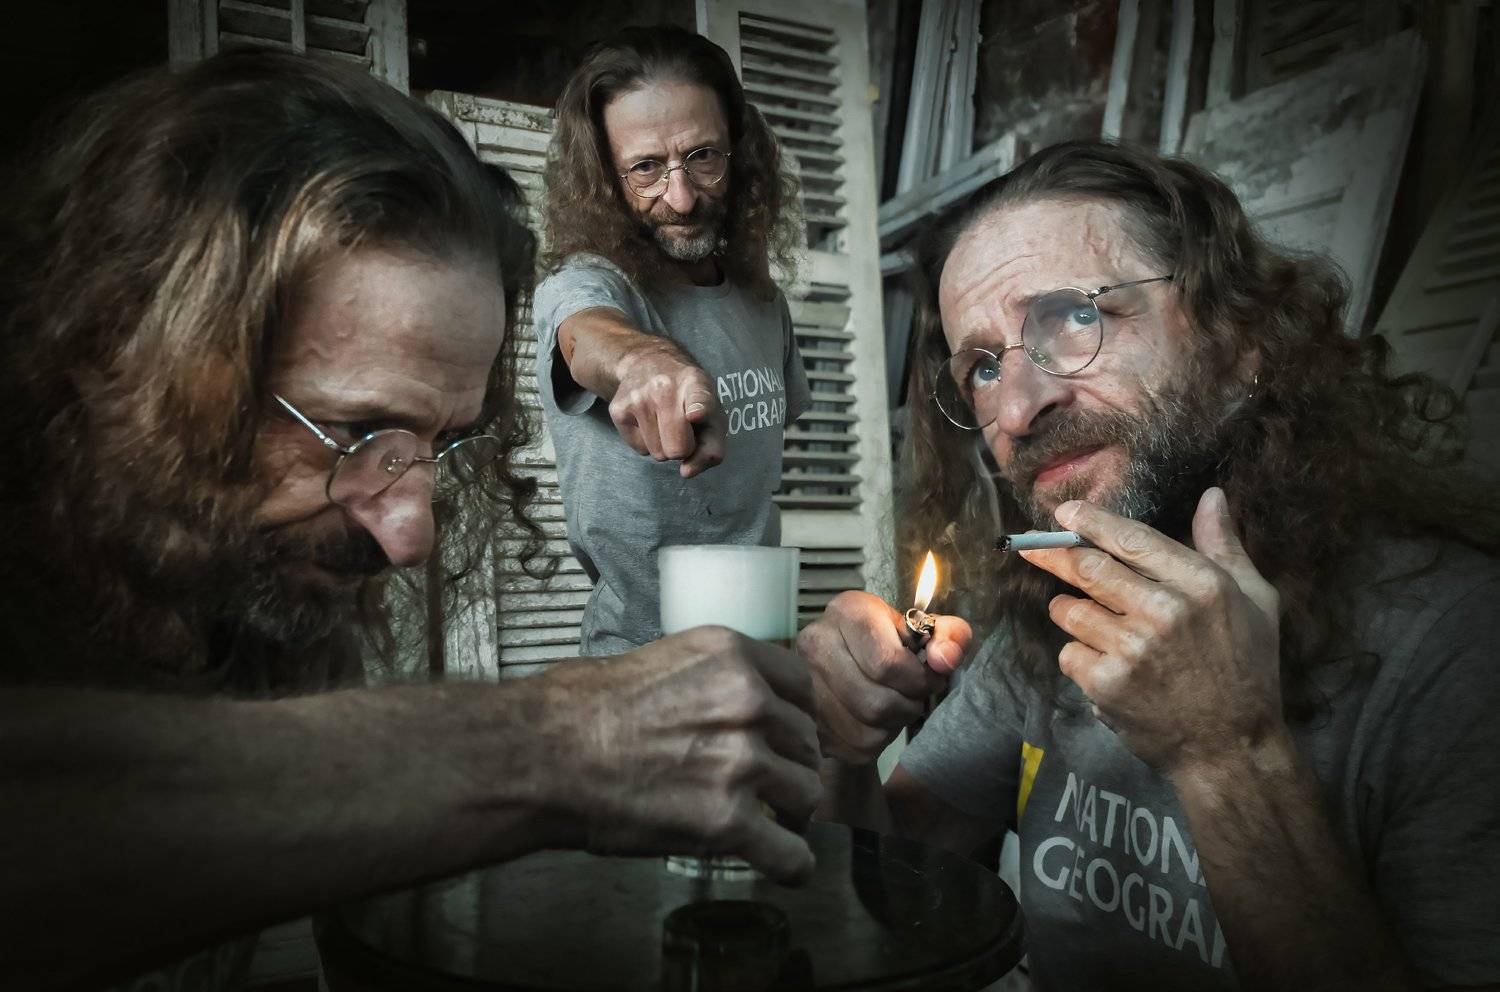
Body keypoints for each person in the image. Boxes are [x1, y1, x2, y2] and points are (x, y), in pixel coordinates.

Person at [0, 50, 821, 990]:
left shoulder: (257, 603)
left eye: (443, 443)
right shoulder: (592, 285)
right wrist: (562, 742)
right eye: (355, 431)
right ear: (127, 349)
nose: (409, 538)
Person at [800, 141, 1500, 991]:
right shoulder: (1050, 615)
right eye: (982, 366)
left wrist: (1225, 751)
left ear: (1239, 343)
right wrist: (843, 753)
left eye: (1072, 317)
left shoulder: (1458, 646)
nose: (1015, 411)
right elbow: (891, 897)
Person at [532, 26, 811, 654]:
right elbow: (587, 335)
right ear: (605, 178)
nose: (681, 198)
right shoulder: (583, 285)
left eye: (702, 156)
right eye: (646, 168)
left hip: (764, 653)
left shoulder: (764, 302)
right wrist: (645, 364)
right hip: (640, 665)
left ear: (739, 151)